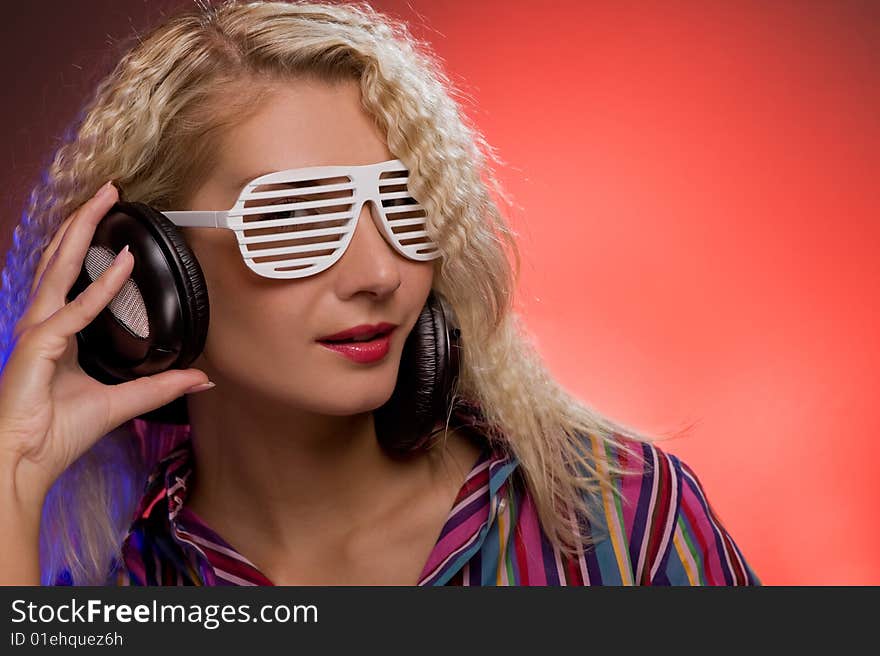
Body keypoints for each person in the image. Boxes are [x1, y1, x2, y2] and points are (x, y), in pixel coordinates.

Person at [0, 0, 759, 586]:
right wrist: (13, 472)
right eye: (295, 216)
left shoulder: (615, 518)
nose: (380, 272)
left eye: (405, 204)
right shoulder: (117, 593)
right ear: (149, 266)